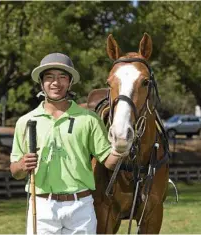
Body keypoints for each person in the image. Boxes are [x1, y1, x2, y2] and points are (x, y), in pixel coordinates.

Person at [10, 53, 130, 234]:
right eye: (49, 77)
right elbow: (15, 171)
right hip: (42, 206)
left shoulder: (89, 119)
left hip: (80, 206)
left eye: (62, 77)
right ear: (41, 83)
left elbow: (108, 161)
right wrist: (22, 165)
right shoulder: (26, 121)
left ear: (70, 82)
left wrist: (121, 148)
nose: (56, 83)